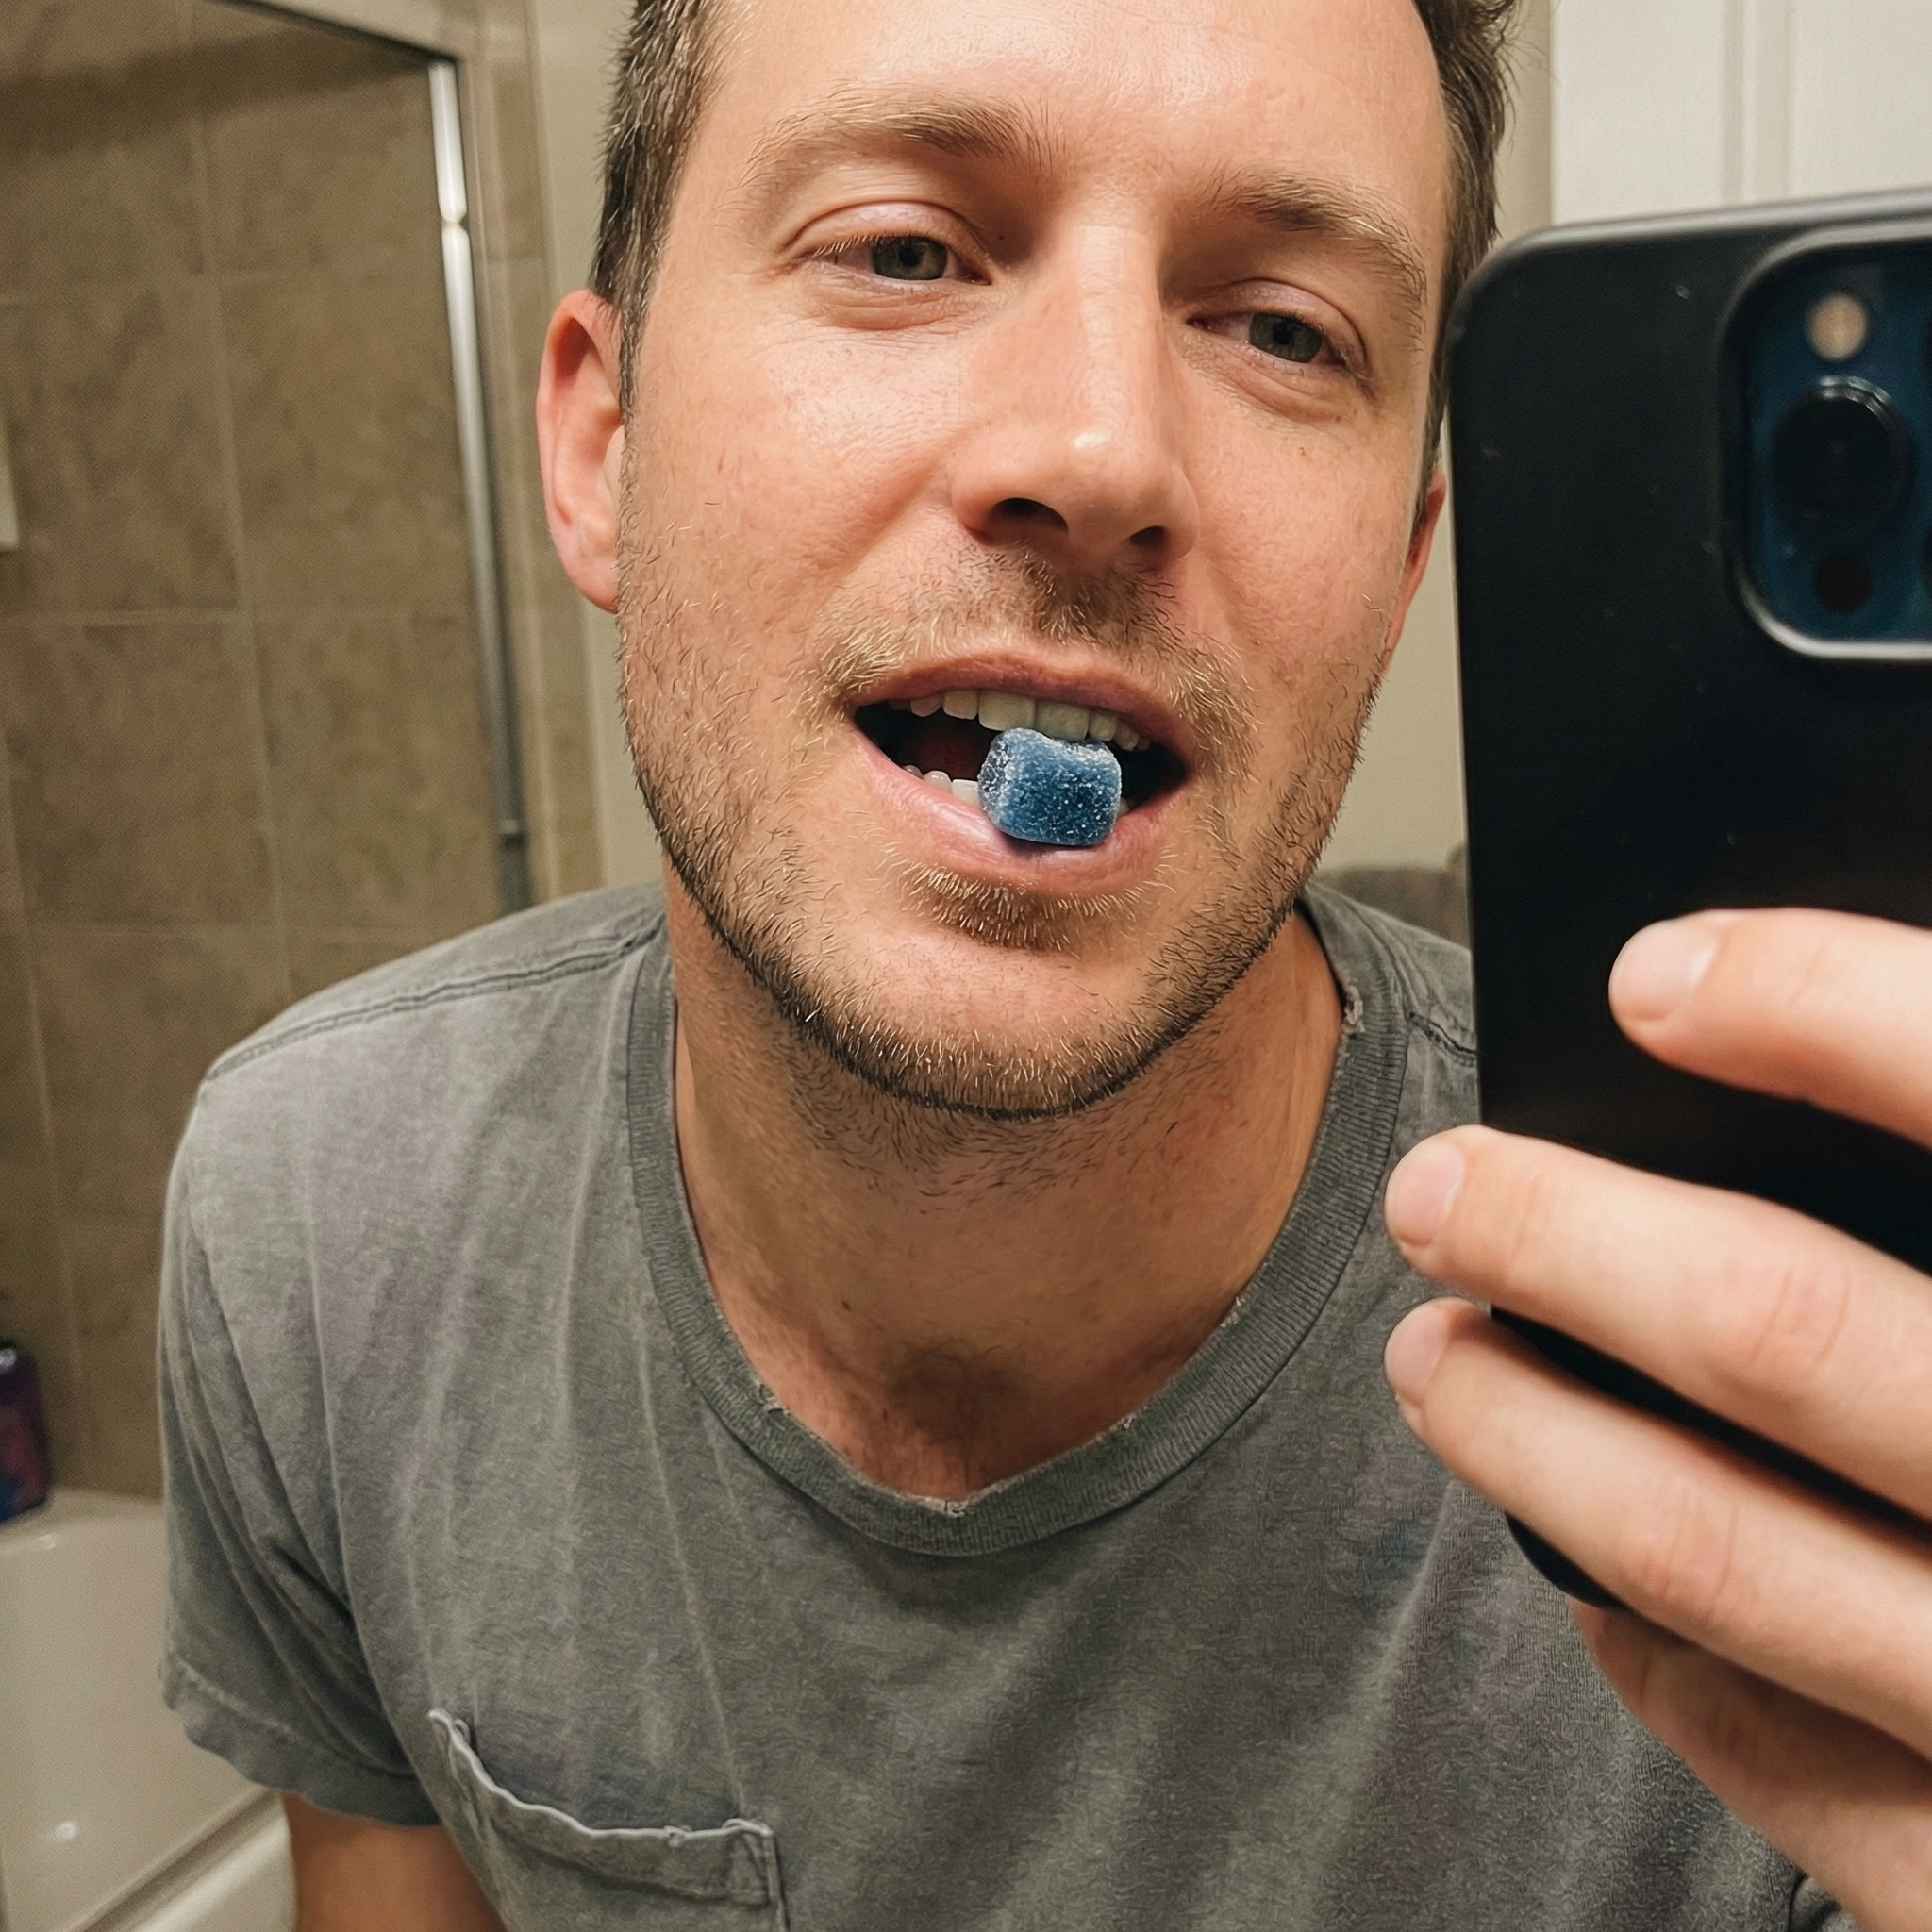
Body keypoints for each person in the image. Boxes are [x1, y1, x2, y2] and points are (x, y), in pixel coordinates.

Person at [156, 0, 1932, 1924]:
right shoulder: (314, 1230)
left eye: (1279, 330)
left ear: (1413, 564)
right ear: (602, 443)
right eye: (905, 248)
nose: (1099, 452)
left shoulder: (1766, 1385)